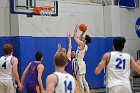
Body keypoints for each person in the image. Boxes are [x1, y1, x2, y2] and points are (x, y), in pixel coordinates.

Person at [73, 25, 91, 93]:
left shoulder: (81, 44)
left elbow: (75, 37)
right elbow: (79, 38)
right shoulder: (85, 46)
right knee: (83, 79)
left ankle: (82, 92)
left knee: (79, 80)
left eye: (84, 37)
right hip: (82, 63)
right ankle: (88, 91)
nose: (82, 37)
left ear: (85, 40)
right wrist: (83, 32)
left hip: (78, 63)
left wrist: (75, 29)